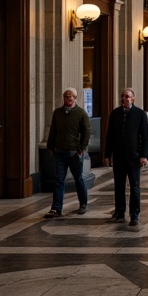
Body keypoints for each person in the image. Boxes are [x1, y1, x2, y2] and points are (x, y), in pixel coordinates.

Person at [104, 88, 148, 226]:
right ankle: (119, 212)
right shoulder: (115, 114)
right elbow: (109, 136)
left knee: (135, 186)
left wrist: (144, 156)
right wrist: (107, 155)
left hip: (134, 157)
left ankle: (134, 214)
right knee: (119, 185)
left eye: (127, 96)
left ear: (133, 98)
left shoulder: (140, 114)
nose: (124, 98)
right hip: (118, 157)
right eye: (122, 96)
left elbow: (145, 137)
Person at [45, 87, 91, 217]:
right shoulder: (58, 113)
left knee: (78, 179)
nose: (68, 98)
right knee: (59, 180)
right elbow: (53, 130)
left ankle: (83, 204)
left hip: (74, 152)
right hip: (60, 152)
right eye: (66, 96)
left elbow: (86, 132)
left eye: (70, 96)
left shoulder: (81, 113)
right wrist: (50, 146)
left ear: (75, 98)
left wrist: (81, 148)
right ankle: (56, 208)